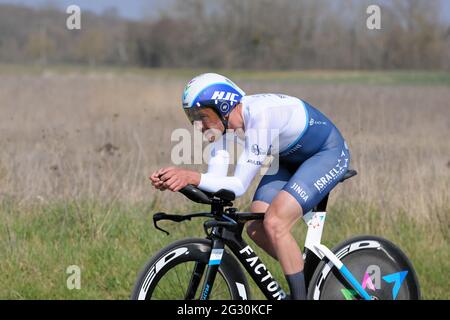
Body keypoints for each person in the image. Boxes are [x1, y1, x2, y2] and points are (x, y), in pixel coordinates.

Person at [150, 73, 351, 300]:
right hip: (288, 159)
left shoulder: (260, 116)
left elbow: (237, 186)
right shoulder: (223, 129)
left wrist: (191, 177)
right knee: (256, 225)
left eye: (202, 116)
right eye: (192, 118)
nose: (198, 125)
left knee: (275, 222)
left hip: (326, 153)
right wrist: (178, 182)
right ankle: (306, 276)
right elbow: (217, 185)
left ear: (222, 105)